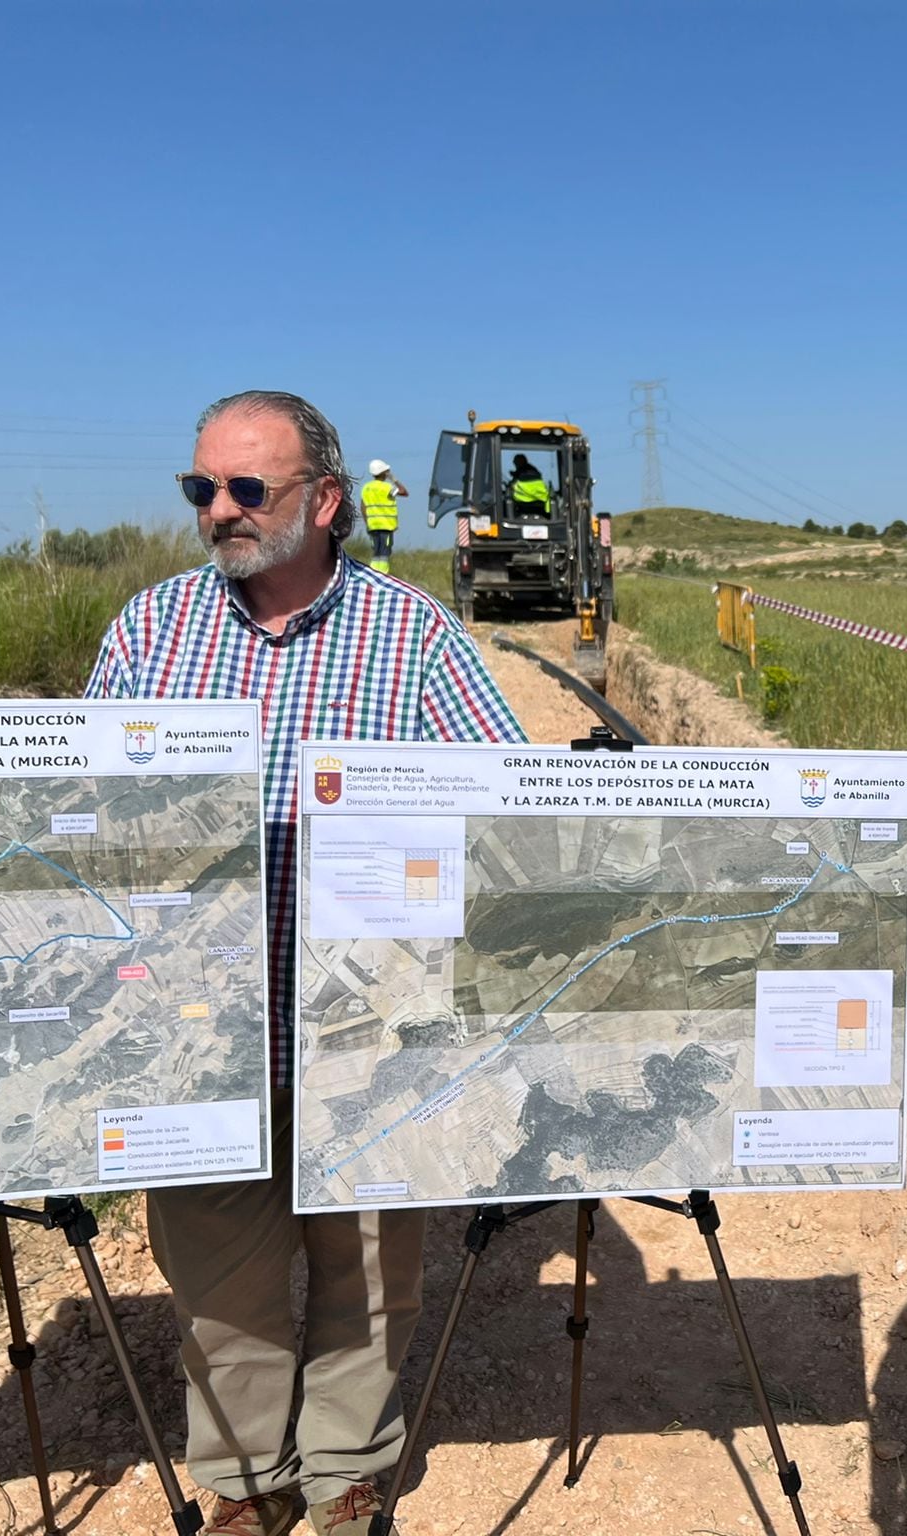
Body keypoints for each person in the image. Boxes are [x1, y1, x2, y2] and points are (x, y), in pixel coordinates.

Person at [88, 390, 526, 1536]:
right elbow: (86, 818)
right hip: (196, 1027)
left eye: (246, 489)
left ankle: (344, 1468)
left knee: (371, 1270)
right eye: (201, 490)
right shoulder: (148, 634)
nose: (218, 512)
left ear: (326, 502)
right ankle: (239, 1483)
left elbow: (511, 806)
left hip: (367, 1028)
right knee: (219, 1280)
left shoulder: (412, 638)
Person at [357, 458, 407, 573]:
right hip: (386, 526)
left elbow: (363, 507)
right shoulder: (387, 488)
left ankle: (374, 574)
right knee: (384, 554)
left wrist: (367, 523)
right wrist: (393, 479)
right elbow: (404, 492)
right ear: (383, 472)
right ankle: (383, 575)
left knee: (376, 553)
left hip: (373, 526)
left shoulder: (367, 488)